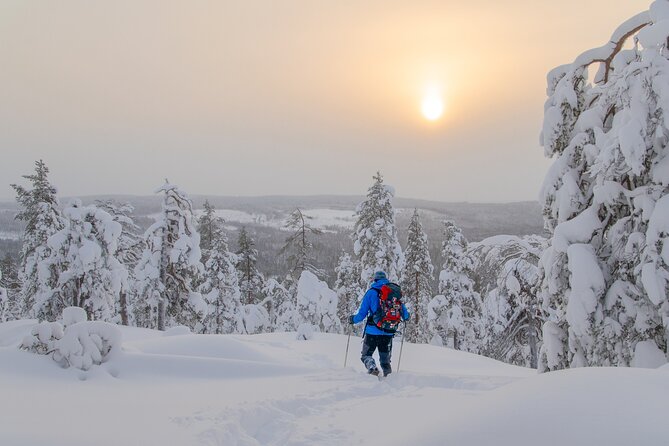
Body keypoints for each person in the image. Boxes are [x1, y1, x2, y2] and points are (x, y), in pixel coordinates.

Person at [348, 271, 409, 377]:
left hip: (372, 331)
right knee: (385, 359)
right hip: (388, 332)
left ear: (375, 280)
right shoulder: (393, 294)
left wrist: (353, 319)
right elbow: (406, 315)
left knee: (366, 355)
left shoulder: (371, 292)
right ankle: (389, 377)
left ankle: (372, 368)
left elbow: (362, 314)